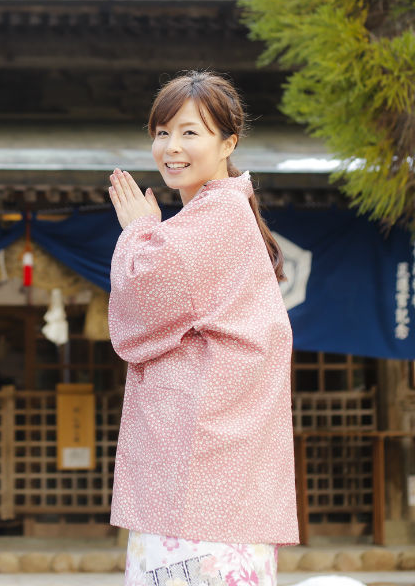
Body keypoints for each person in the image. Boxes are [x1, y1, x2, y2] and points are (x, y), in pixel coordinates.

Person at [106, 71, 298, 586]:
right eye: (162, 132)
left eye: (190, 132)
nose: (171, 147)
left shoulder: (217, 215)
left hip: (203, 477)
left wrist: (140, 231)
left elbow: (141, 301)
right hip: (212, 474)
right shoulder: (219, 213)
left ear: (228, 142)